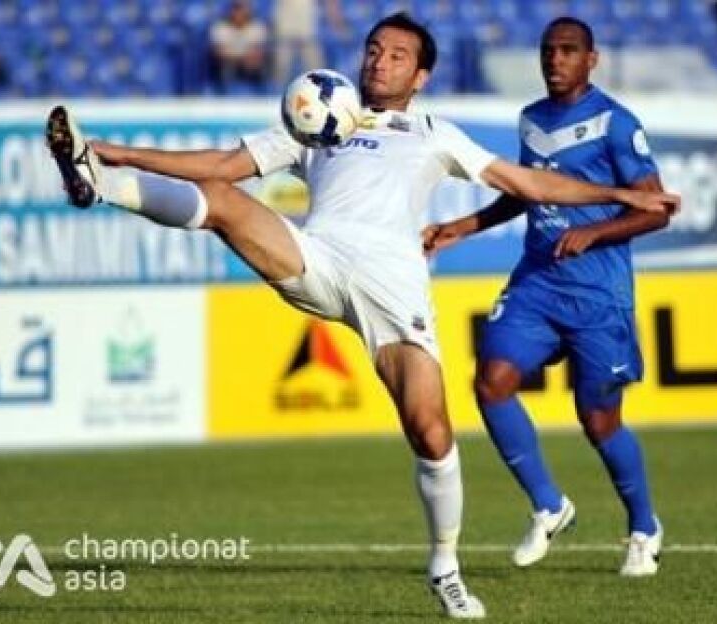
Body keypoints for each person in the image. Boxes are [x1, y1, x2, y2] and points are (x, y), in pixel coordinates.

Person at [47, 13, 677, 618]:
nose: (380, 62)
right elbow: (217, 166)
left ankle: (445, 569)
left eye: (397, 55)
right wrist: (111, 152)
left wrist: (615, 194)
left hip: (393, 291)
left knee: (431, 432)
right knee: (221, 199)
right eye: (374, 50)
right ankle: (97, 182)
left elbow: (529, 185)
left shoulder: (433, 132)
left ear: (421, 76)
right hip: (317, 261)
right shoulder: (318, 116)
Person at [424, 17, 670, 577]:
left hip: (598, 294)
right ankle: (549, 505)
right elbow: (526, 193)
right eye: (548, 51)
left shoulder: (615, 123)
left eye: (568, 50)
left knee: (598, 421)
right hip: (537, 282)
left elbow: (656, 209)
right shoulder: (531, 119)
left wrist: (595, 232)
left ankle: (643, 528)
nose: (555, 60)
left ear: (591, 59)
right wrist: (462, 226)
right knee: (491, 382)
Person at [209, 0, 269, 93]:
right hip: (228, 64)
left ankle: (259, 93)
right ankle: (221, 92)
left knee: (256, 64)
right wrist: (239, 57)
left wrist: (241, 57)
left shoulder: (257, 27)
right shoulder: (221, 27)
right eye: (236, 9)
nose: (239, 13)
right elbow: (219, 52)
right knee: (221, 65)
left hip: (249, 65)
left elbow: (258, 53)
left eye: (241, 9)